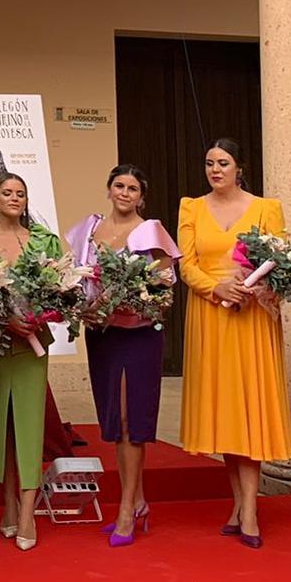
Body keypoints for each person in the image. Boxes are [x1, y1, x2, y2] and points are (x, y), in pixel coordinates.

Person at [176, 138, 291, 548]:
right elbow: (186, 264)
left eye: (223, 163)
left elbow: (279, 262)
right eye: (209, 163)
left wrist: (252, 288)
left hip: (251, 316)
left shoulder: (266, 208)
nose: (215, 170)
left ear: (238, 167)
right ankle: (239, 504)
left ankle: (250, 509)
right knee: (225, 410)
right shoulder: (190, 206)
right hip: (211, 314)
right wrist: (216, 288)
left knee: (250, 407)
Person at [66, 163, 180, 547]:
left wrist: (132, 302)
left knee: (133, 422)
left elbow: (164, 293)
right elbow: (76, 279)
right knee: (116, 422)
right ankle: (140, 500)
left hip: (138, 336)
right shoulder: (91, 231)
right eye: (119, 185)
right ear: (109, 189)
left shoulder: (151, 232)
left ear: (141, 196)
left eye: (133, 188)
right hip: (102, 335)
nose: (125, 193)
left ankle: (127, 509)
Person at [0, 171, 50, 551]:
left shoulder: (42, 241)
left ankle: (26, 512)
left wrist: (42, 314)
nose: (14, 198)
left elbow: (62, 285)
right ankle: (7, 505)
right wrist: (2, 318)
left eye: (20, 193)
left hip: (32, 344)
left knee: (28, 425)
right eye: (7, 192)